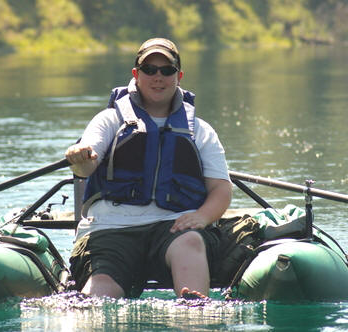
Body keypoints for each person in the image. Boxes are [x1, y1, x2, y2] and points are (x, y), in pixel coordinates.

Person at [65, 38, 232, 299]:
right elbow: (86, 167)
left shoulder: (200, 130)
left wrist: (202, 217)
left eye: (166, 71)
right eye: (149, 70)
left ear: (179, 76)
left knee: (190, 241)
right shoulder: (110, 120)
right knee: (101, 292)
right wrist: (80, 158)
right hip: (111, 229)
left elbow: (221, 189)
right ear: (136, 74)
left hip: (174, 228)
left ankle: (195, 314)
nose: (158, 77)